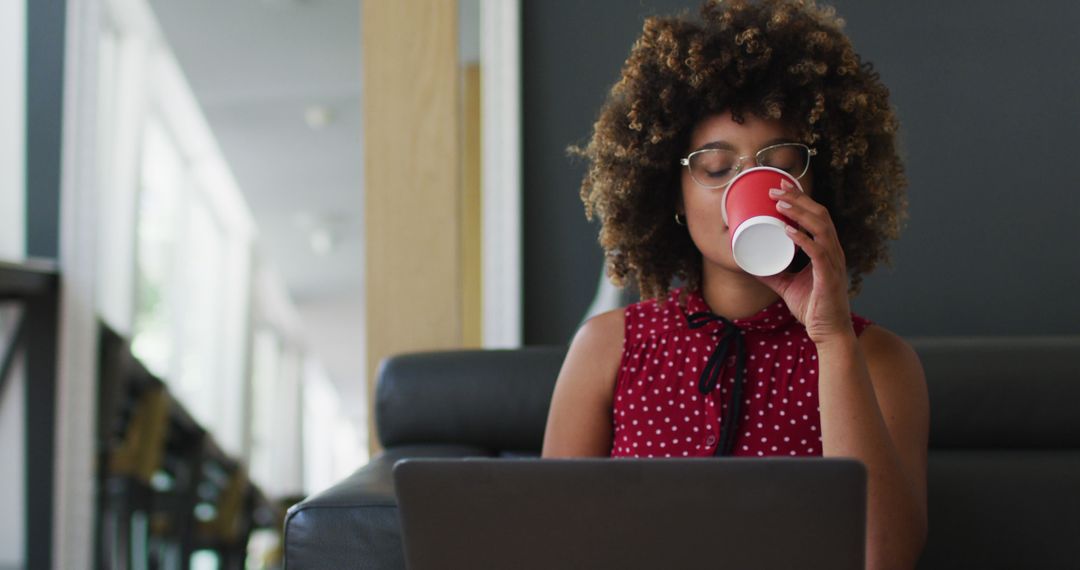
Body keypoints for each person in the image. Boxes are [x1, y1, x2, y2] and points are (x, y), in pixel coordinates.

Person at [540, 0, 929, 568]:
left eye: (781, 163)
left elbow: (883, 559)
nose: (746, 188)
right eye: (717, 168)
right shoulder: (607, 350)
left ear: (821, 184)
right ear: (672, 193)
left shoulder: (878, 362)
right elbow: (548, 546)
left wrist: (832, 338)